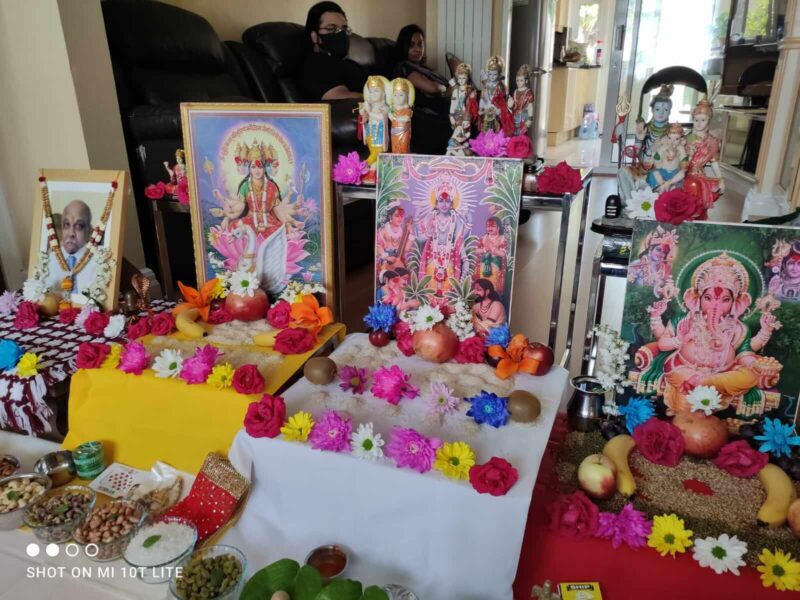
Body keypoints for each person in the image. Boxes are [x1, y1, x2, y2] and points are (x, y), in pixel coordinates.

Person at [642, 253, 782, 415]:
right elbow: (662, 343)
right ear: (695, 298)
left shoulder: (738, 328)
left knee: (749, 376)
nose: (716, 305)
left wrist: (763, 337)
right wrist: (677, 337)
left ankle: (703, 382)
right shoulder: (685, 319)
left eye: (725, 300)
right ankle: (699, 388)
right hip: (685, 368)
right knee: (682, 375)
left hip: (723, 371)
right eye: (708, 298)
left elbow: (744, 354)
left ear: (737, 303)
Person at [301, 2, 366, 100]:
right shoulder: (317, 63)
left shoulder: (348, 63)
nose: (341, 35)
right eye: (332, 29)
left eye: (344, 29)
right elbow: (339, 98)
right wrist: (385, 98)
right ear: (314, 36)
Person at [416, 181, 469, 303]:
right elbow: (420, 239)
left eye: (447, 201)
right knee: (431, 288)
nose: (444, 204)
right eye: (441, 201)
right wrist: (428, 232)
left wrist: (465, 259)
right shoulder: (430, 217)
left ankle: (446, 313)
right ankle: (429, 313)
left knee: (448, 289)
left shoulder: (456, 220)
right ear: (436, 203)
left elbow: (459, 241)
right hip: (431, 259)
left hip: (449, 259)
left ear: (452, 204)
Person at [45, 200, 98, 294]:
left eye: (79, 226)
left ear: (89, 230)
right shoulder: (51, 258)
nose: (71, 233)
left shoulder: (98, 260)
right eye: (66, 225)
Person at [684, 97, 724, 218]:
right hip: (686, 173)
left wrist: (720, 177)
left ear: (709, 121)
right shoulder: (686, 139)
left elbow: (714, 161)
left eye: (703, 120)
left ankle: (701, 216)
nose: (699, 123)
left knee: (716, 186)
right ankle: (690, 214)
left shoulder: (712, 141)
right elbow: (682, 162)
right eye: (696, 120)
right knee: (694, 186)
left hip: (701, 175)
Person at [393, 25, 449, 110]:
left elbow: (441, 85)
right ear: (403, 46)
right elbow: (432, 88)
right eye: (411, 45)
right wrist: (445, 89)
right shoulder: (404, 66)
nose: (418, 49)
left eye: (420, 44)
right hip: (431, 113)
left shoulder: (424, 68)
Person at [476, 217, 508, 294]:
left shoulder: (502, 239)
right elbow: (476, 251)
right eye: (488, 226)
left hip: (495, 267)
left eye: (493, 226)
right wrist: (484, 250)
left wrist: (494, 250)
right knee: (483, 285)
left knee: (493, 286)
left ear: (498, 228)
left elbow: (503, 254)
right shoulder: (483, 238)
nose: (490, 228)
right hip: (483, 268)